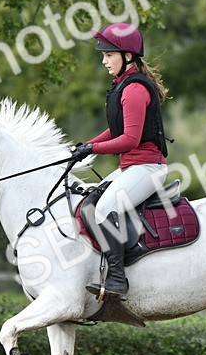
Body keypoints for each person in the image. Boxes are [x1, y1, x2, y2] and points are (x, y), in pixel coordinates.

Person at [70, 22, 170, 302]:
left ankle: (117, 280)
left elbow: (129, 139)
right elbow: (116, 130)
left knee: (103, 208)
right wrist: (86, 146)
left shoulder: (134, 89)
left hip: (148, 168)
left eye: (108, 55)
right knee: (87, 204)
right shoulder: (122, 85)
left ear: (127, 56)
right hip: (131, 168)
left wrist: (94, 148)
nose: (103, 61)